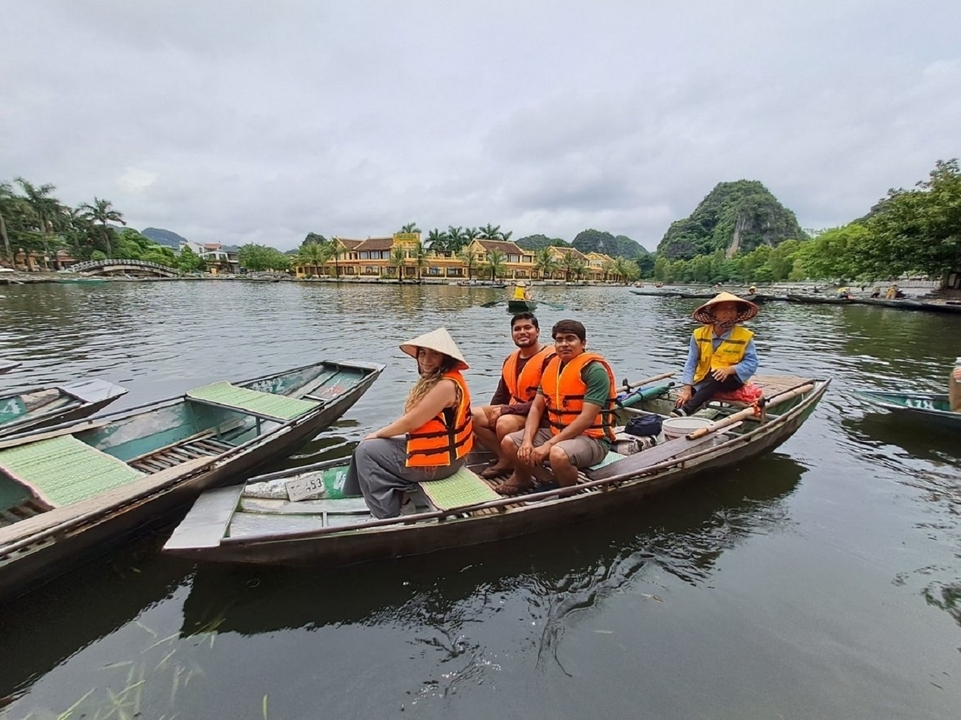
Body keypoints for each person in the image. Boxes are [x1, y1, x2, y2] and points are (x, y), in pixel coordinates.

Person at [343, 328, 474, 518]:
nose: (426, 359)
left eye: (434, 354)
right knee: (376, 447)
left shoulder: (445, 386)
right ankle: (401, 497)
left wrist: (378, 433)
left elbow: (411, 423)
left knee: (365, 451)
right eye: (422, 353)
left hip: (440, 465)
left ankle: (386, 515)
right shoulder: (442, 380)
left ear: (445, 359)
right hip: (446, 459)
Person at [497, 319, 616, 496]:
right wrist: (528, 441)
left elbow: (586, 418)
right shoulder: (551, 367)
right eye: (559, 340)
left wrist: (549, 444)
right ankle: (544, 480)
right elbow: (536, 408)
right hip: (556, 431)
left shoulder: (594, 370)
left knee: (557, 454)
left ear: (583, 343)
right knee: (510, 442)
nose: (564, 344)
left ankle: (567, 491)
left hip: (592, 439)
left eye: (570, 339)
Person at [472, 313, 555, 478]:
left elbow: (545, 401)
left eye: (527, 328)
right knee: (471, 415)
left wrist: (505, 410)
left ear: (537, 331)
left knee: (504, 422)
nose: (522, 332)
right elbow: (501, 394)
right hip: (517, 409)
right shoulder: (511, 359)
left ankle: (521, 474)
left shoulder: (550, 358)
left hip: (542, 414)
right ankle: (505, 458)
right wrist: (489, 421)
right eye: (517, 329)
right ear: (512, 334)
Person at [673, 292, 759, 417]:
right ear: (714, 313)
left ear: (737, 313)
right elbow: (691, 361)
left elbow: (752, 363)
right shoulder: (699, 334)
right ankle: (676, 413)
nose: (728, 313)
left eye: (732, 309)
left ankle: (687, 410)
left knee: (717, 377)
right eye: (723, 309)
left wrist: (730, 369)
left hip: (731, 379)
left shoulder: (744, 336)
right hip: (704, 377)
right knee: (685, 396)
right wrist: (686, 389)